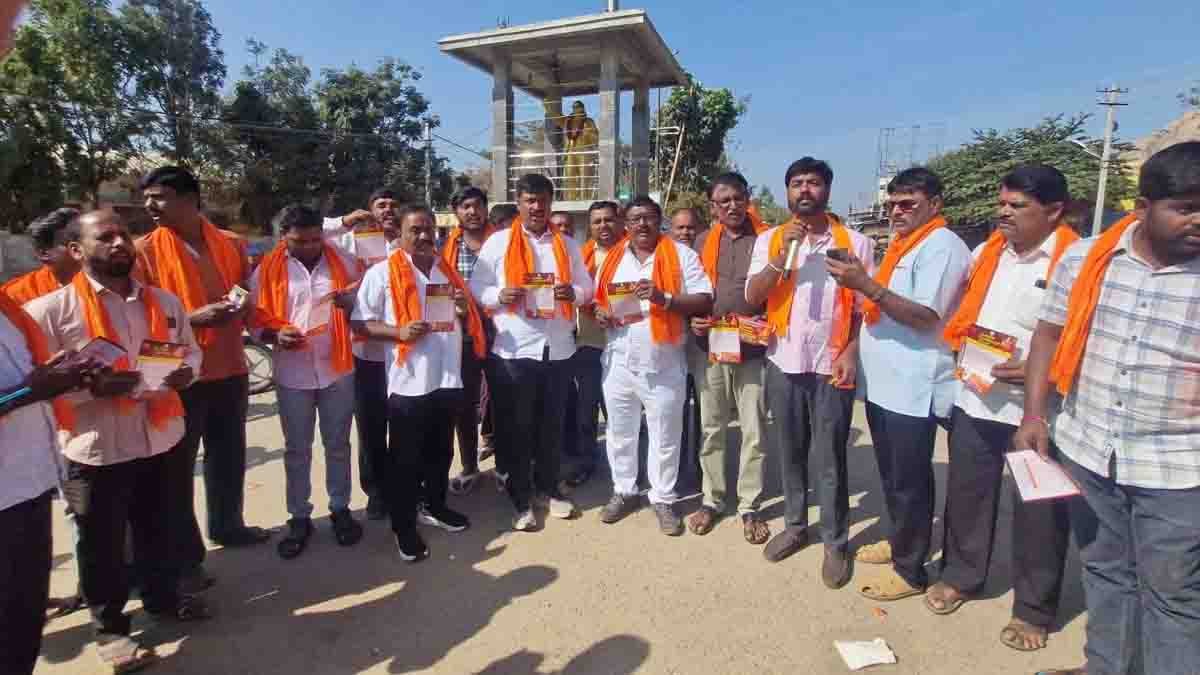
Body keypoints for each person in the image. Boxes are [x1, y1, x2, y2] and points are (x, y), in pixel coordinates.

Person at [1014, 142, 1200, 675]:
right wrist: (1034, 415)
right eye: (1186, 207)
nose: (1198, 220)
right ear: (1142, 208)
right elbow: (1048, 335)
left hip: (1178, 468)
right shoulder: (1086, 260)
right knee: (1105, 570)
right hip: (1090, 449)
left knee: (1173, 595)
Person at [26, 209, 207, 672]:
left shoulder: (164, 302)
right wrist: (90, 390)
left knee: (159, 526)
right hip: (94, 448)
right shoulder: (48, 312)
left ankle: (163, 599)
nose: (119, 243)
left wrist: (188, 372)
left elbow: (190, 350)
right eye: (104, 237)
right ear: (75, 250)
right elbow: (34, 386)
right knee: (100, 544)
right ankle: (110, 630)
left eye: (124, 234)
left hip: (161, 436)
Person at [925, 165, 1078, 649]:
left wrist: (1041, 371)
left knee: (1040, 513)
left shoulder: (1076, 261)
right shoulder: (987, 253)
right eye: (1002, 204)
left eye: (1018, 206)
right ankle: (962, 576)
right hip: (976, 397)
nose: (1004, 213)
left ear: (1054, 211)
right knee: (968, 496)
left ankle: (1033, 610)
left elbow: (1087, 337)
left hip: (1040, 411)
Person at [826, 167, 971, 601]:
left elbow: (926, 316)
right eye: (891, 204)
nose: (896, 212)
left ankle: (911, 570)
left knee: (909, 482)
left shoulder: (942, 246)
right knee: (891, 477)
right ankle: (900, 541)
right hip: (885, 385)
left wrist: (866, 285)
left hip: (914, 386)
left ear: (935, 204)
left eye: (908, 204)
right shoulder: (903, 245)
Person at [134, 167, 269, 593]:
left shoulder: (231, 243)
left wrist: (244, 308)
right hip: (177, 375)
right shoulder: (142, 253)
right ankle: (185, 558)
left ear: (190, 199)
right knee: (174, 471)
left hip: (230, 366)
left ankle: (228, 525)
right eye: (147, 198)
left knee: (227, 456)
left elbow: (246, 291)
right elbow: (139, 319)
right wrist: (194, 319)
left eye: (159, 196)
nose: (150, 205)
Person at [747, 158, 875, 588]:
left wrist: (852, 350)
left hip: (831, 364)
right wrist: (780, 256)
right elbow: (753, 295)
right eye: (797, 183)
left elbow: (865, 308)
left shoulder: (856, 243)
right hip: (784, 360)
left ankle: (836, 541)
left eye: (814, 183)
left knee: (830, 455)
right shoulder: (769, 240)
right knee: (790, 450)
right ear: (787, 192)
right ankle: (796, 525)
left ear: (827, 190)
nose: (805, 190)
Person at [352, 204, 482, 561]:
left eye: (429, 229)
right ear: (401, 233)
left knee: (441, 452)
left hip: (447, 377)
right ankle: (404, 526)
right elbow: (360, 323)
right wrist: (398, 332)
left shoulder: (446, 270)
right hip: (409, 383)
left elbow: (462, 317)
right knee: (405, 460)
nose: (424, 236)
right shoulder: (381, 273)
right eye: (416, 230)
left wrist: (461, 307)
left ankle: (436, 506)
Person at [469, 173, 592, 531]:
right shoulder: (498, 243)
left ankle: (548, 489)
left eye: (543, 200)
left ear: (551, 203)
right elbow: (477, 286)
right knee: (516, 428)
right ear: (519, 203)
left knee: (551, 425)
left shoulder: (567, 244)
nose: (537, 207)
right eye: (530, 200)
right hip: (514, 349)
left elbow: (587, 285)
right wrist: (499, 296)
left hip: (557, 348)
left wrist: (574, 294)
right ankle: (520, 498)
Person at [593, 196, 713, 534]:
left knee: (665, 434)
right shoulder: (613, 259)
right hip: (618, 360)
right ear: (626, 224)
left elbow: (705, 298)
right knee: (620, 432)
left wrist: (665, 298)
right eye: (635, 219)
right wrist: (601, 314)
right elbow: (600, 302)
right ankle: (625, 490)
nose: (642, 224)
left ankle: (662, 498)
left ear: (659, 221)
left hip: (664, 361)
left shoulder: (681, 255)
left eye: (648, 217)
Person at [250, 205, 363, 559]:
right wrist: (274, 334)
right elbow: (254, 319)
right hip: (293, 372)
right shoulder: (266, 270)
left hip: (337, 369)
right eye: (300, 241)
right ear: (284, 237)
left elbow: (366, 299)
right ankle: (299, 517)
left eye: (316, 239)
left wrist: (351, 303)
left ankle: (340, 509)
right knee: (297, 449)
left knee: (338, 444)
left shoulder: (344, 262)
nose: (310, 247)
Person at [0, 285, 89, 675]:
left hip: (33, 480)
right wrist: (29, 391)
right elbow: (23, 389)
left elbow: (26, 379)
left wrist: (54, 377)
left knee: (25, 613)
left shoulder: (6, 311)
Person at [688, 172, 771, 544]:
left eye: (738, 198)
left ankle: (750, 505)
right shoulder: (703, 241)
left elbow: (781, 289)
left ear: (747, 199)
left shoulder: (768, 239)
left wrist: (768, 319)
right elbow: (691, 289)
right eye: (724, 201)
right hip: (711, 347)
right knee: (712, 426)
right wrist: (693, 320)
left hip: (753, 348)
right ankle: (713, 499)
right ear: (713, 207)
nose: (733, 206)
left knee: (754, 428)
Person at [322, 190, 402, 520]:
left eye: (394, 205)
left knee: (405, 426)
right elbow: (307, 232)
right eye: (381, 205)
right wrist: (344, 221)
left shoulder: (408, 244)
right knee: (370, 428)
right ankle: (376, 492)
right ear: (369, 210)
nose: (388, 210)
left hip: (403, 354)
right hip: (365, 352)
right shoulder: (349, 242)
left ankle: (404, 487)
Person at [560, 201, 625, 490]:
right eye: (597, 221)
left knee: (620, 413)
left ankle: (625, 470)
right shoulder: (581, 256)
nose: (603, 226)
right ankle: (586, 462)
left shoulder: (632, 254)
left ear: (619, 222)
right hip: (588, 342)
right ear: (589, 226)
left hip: (624, 343)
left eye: (608, 220)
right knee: (586, 410)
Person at [442, 187, 496, 495]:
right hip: (462, 335)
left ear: (486, 209)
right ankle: (469, 466)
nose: (472, 211)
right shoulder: (446, 248)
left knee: (505, 399)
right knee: (464, 404)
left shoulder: (504, 242)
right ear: (457, 212)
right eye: (465, 206)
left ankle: (507, 465)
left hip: (503, 331)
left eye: (477, 205)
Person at [669, 207, 706, 495]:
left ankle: (704, 472)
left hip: (704, 347)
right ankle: (679, 472)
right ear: (671, 230)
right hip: (673, 347)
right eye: (679, 227)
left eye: (690, 227)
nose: (685, 233)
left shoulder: (708, 256)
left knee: (706, 414)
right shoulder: (665, 259)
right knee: (676, 412)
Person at [2, 208, 81, 304]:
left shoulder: (97, 284)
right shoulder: (14, 297)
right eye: (77, 242)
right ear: (44, 253)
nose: (90, 247)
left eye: (93, 238)